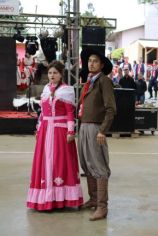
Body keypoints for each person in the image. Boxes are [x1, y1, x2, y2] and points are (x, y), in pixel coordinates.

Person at [27, 60, 83, 211]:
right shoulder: (46, 89)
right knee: (45, 162)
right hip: (45, 130)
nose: (52, 75)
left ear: (61, 74)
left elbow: (70, 113)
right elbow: (42, 113)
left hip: (60, 130)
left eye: (55, 73)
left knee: (60, 162)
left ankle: (60, 199)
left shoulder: (67, 90)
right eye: (50, 73)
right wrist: (38, 129)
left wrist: (71, 131)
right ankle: (46, 198)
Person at [78, 48, 116, 221]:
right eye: (89, 61)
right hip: (84, 127)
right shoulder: (88, 82)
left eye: (94, 61)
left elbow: (111, 109)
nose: (91, 63)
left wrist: (102, 130)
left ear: (101, 65)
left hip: (95, 128)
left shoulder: (104, 81)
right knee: (87, 165)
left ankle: (102, 206)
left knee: (99, 167)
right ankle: (93, 199)